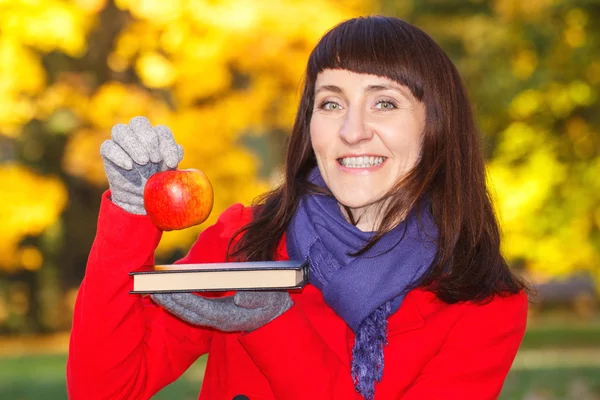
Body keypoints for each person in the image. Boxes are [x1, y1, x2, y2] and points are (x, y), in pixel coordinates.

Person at [67, 15, 530, 400]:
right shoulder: (247, 240)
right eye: (330, 103)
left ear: (436, 126)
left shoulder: (484, 304)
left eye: (384, 103)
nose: (352, 131)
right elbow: (103, 389)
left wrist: (275, 326)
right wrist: (130, 214)